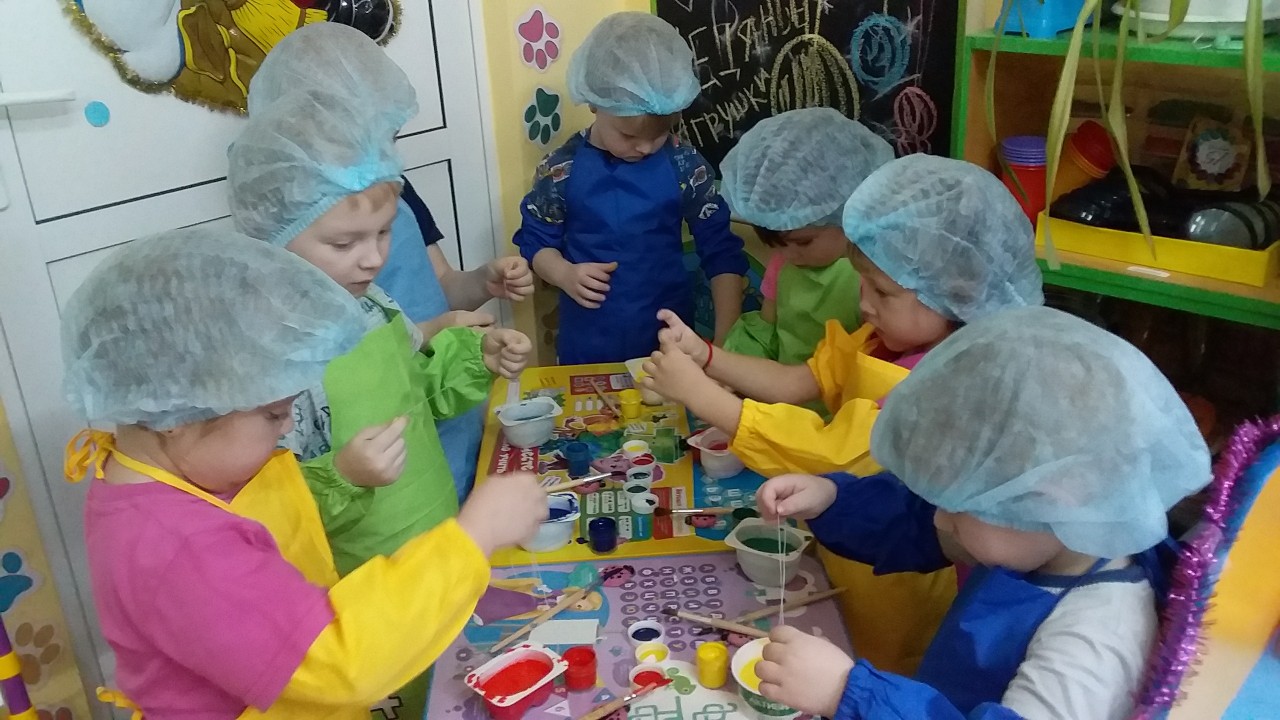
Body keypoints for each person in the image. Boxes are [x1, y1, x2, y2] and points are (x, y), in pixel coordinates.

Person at [62, 229, 548, 717]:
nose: (288, 427)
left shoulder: (153, 478)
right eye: (274, 414)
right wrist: (473, 536)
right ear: (179, 414)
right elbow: (338, 662)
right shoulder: (179, 545)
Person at [642, 156, 1043, 672]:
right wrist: (707, 356)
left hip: (899, 582)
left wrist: (701, 395)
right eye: (863, 282)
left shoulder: (943, 384)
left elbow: (830, 453)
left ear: (955, 294)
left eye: (883, 292)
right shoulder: (878, 339)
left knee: (874, 666)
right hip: (844, 546)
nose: (864, 303)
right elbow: (797, 381)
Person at [752, 306, 1211, 720]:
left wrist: (850, 694)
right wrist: (833, 498)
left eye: (959, 506)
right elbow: (916, 521)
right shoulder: (1043, 534)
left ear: (1049, 495)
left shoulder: (1095, 642)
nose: (940, 519)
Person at [247, 22, 534, 499]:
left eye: (382, 233)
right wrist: (430, 331)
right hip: (371, 445)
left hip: (440, 398)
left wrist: (484, 282)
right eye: (344, 243)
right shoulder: (288, 215)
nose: (372, 258)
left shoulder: (390, 188)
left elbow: (442, 282)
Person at [513, 12, 747, 365]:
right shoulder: (561, 169)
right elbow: (536, 243)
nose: (646, 148)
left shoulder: (684, 164)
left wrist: (724, 343)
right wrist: (563, 273)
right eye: (629, 136)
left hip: (668, 345)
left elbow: (721, 250)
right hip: (587, 346)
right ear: (594, 103)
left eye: (661, 134)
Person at [721, 108, 893, 379]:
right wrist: (732, 373)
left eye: (803, 242)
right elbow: (765, 332)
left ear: (845, 212)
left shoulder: (871, 277)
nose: (789, 255)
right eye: (777, 245)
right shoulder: (782, 266)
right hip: (780, 394)